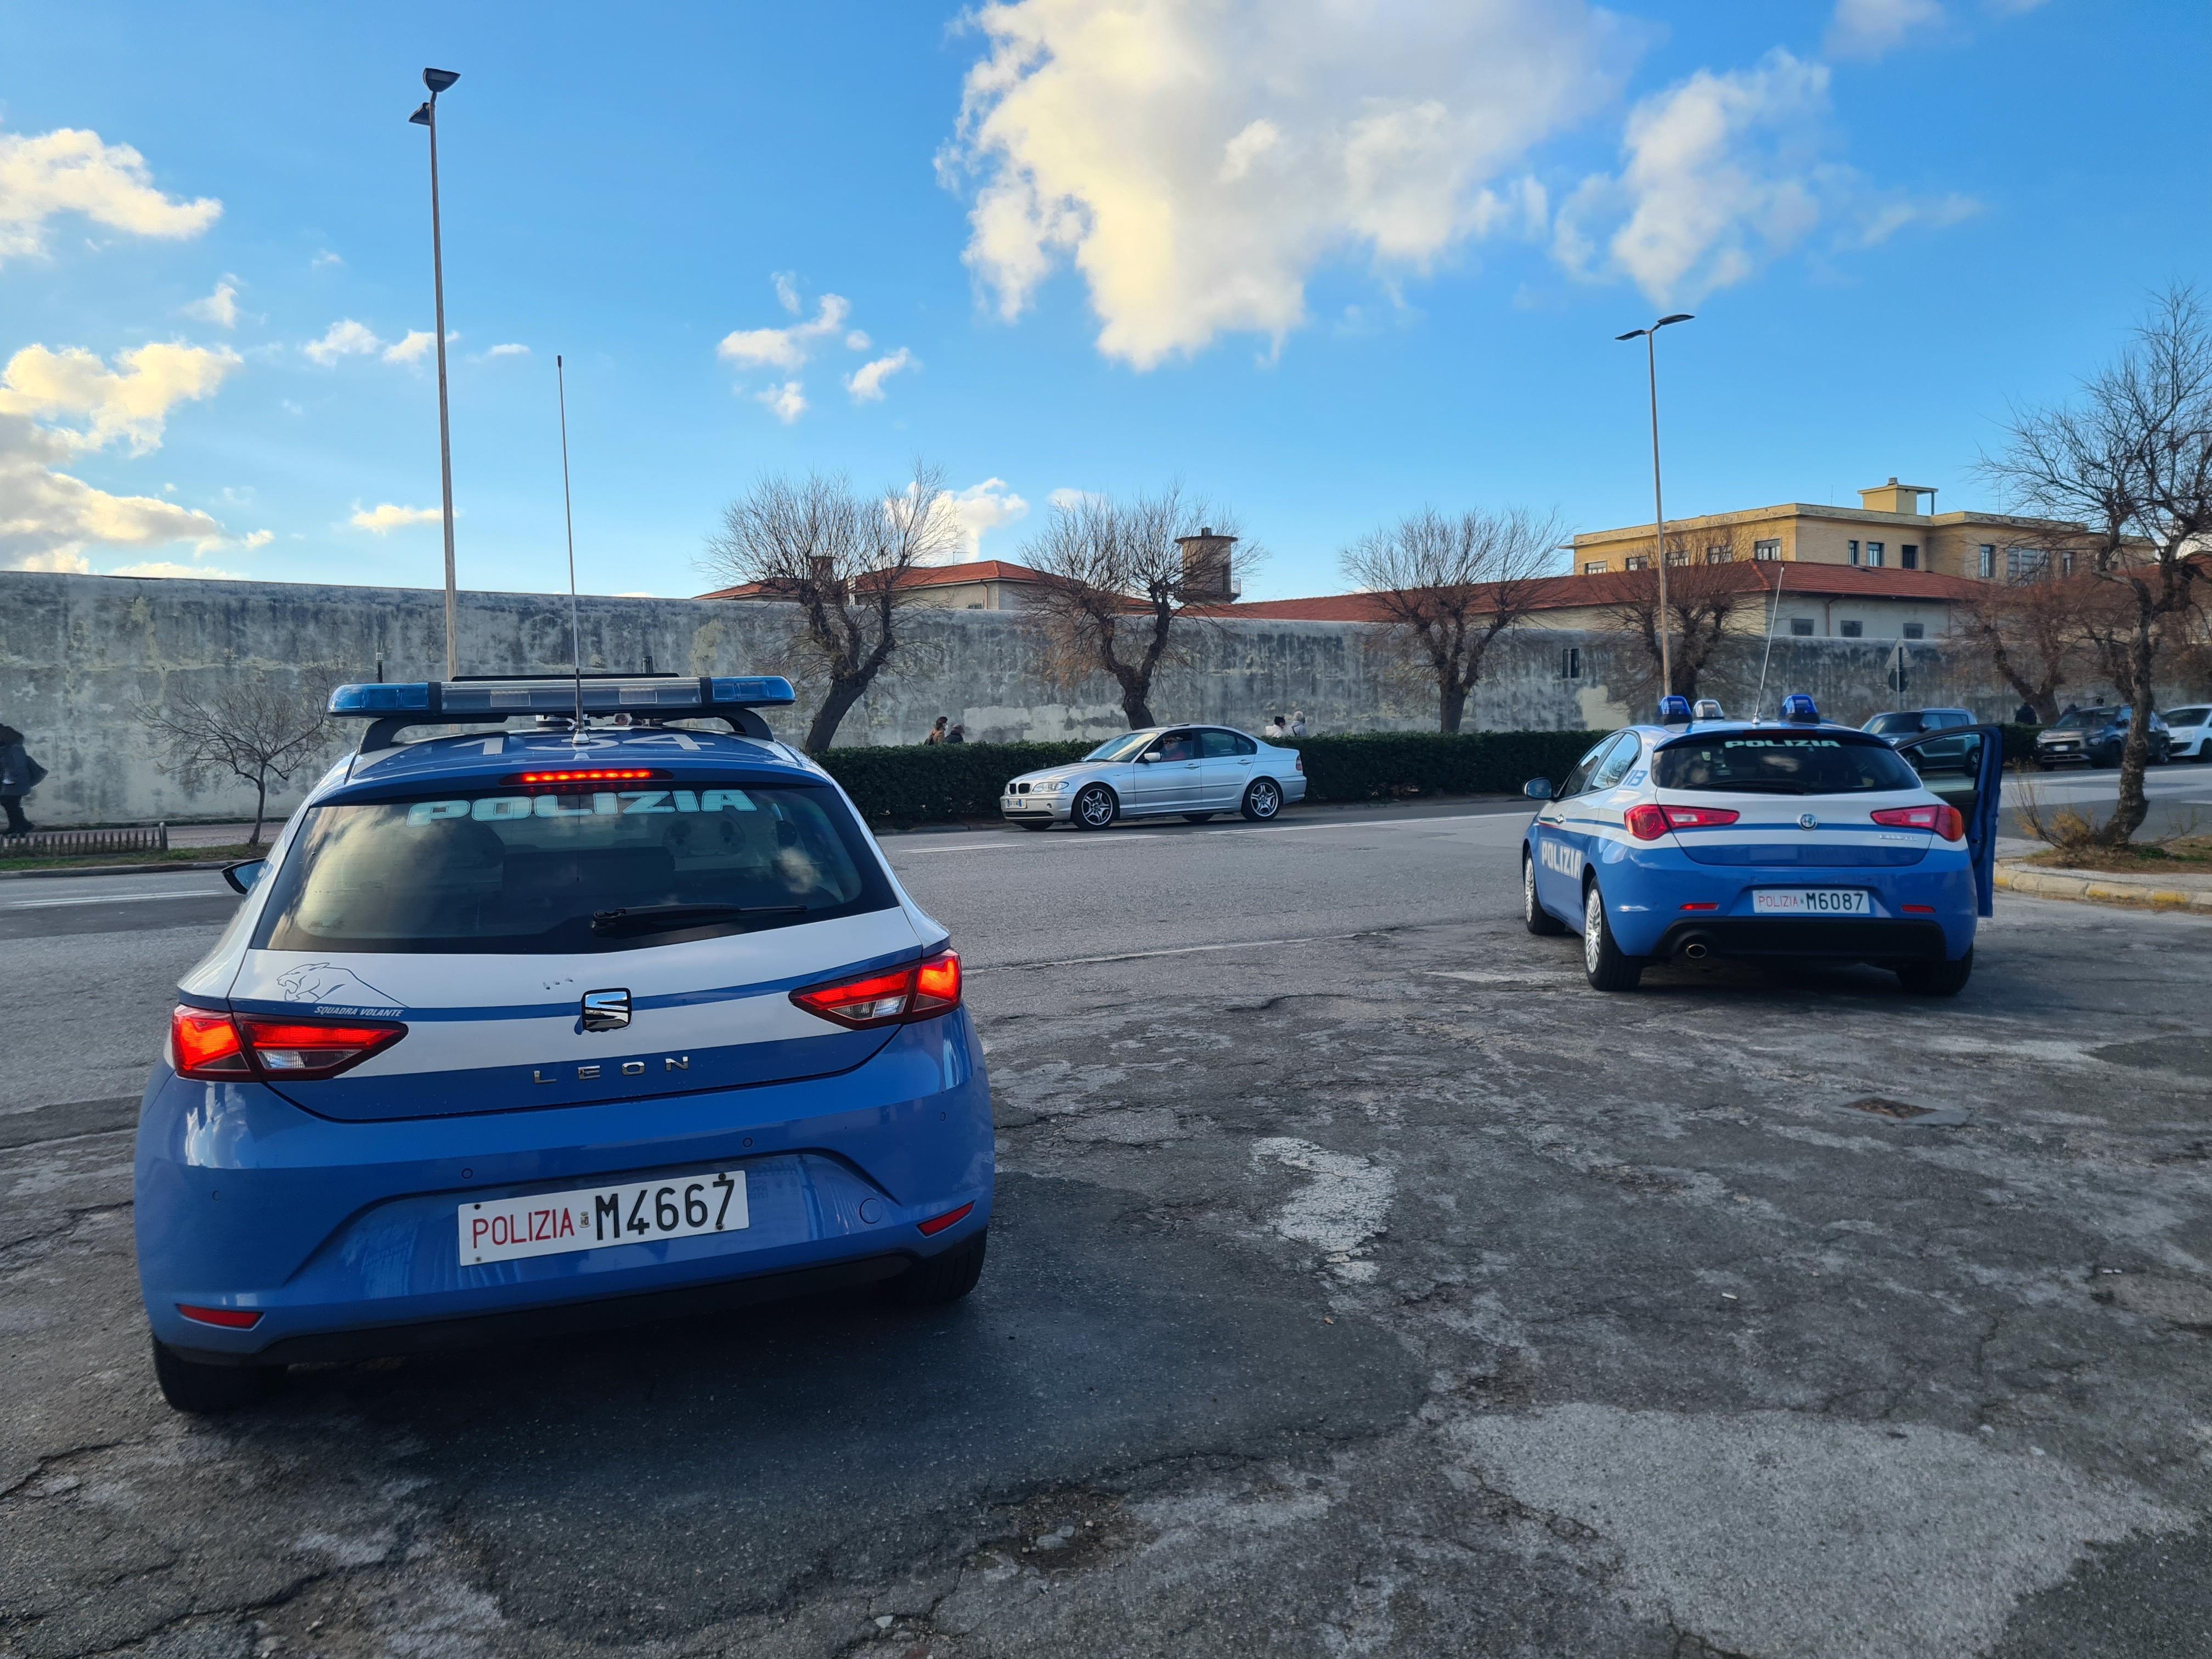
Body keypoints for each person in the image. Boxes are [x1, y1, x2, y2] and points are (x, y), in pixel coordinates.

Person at [0, 723, 43, 836]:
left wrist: (11, 778)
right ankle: (18, 825)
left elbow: (17, 764)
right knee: (9, 803)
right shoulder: (7, 745)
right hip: (9, 780)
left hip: (15, 780)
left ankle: (21, 827)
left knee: (10, 802)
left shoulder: (13, 746)